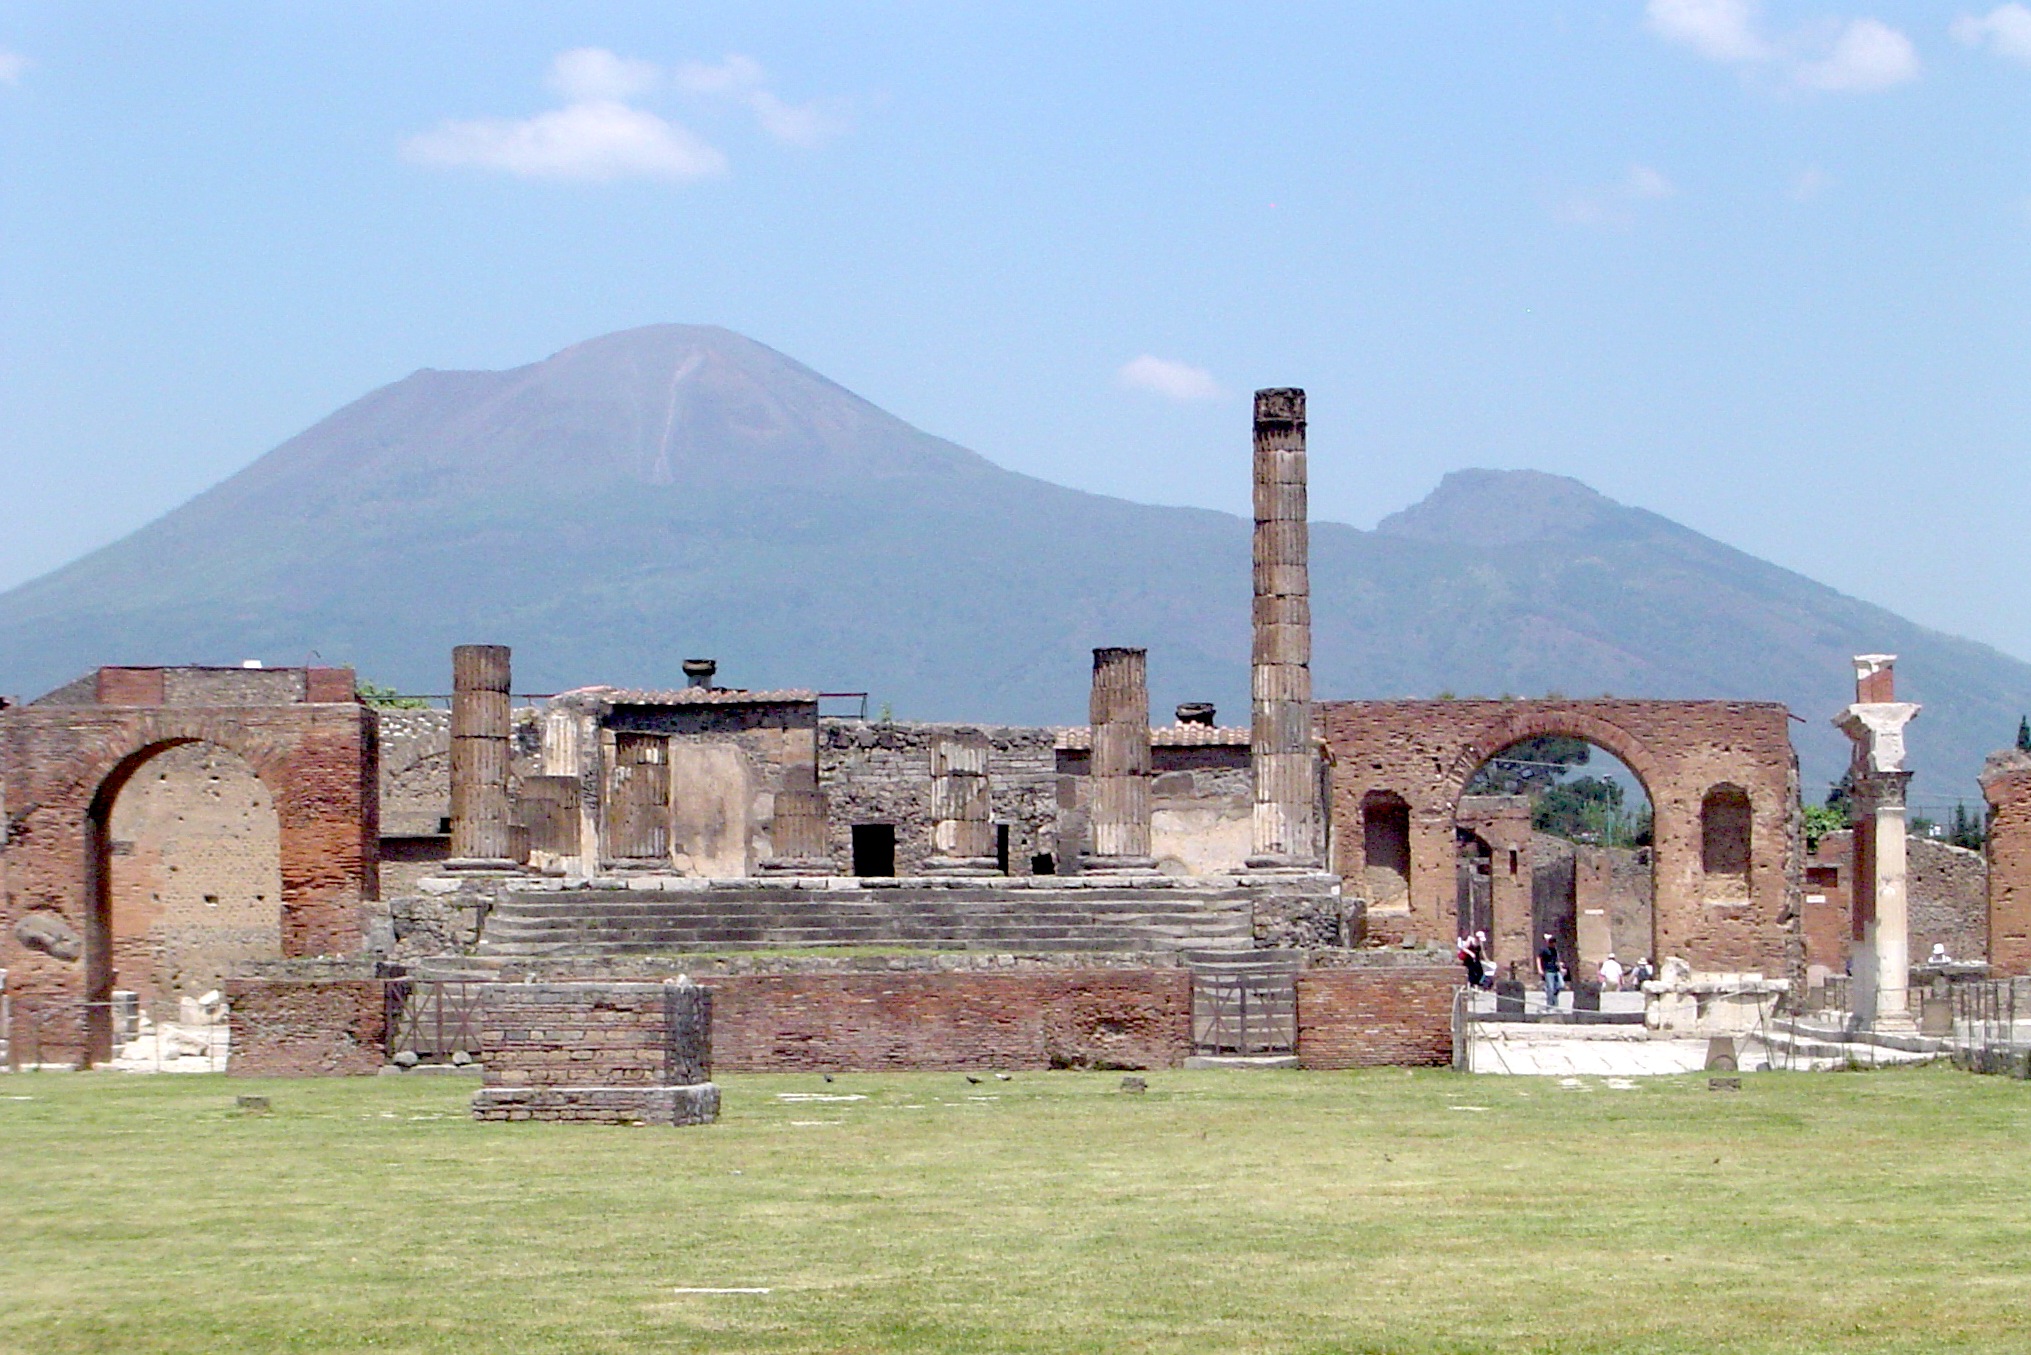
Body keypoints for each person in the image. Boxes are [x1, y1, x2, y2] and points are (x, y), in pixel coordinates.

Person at [1538, 933, 1564, 1010]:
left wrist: (1560, 967)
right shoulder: (1544, 950)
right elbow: (1538, 958)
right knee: (1551, 989)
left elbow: (1557, 960)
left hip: (1556, 971)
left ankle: (1553, 1000)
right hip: (1548, 971)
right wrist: (1540, 969)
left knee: (1560, 985)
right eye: (1552, 942)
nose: (1553, 944)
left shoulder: (1555, 950)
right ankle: (1550, 1005)